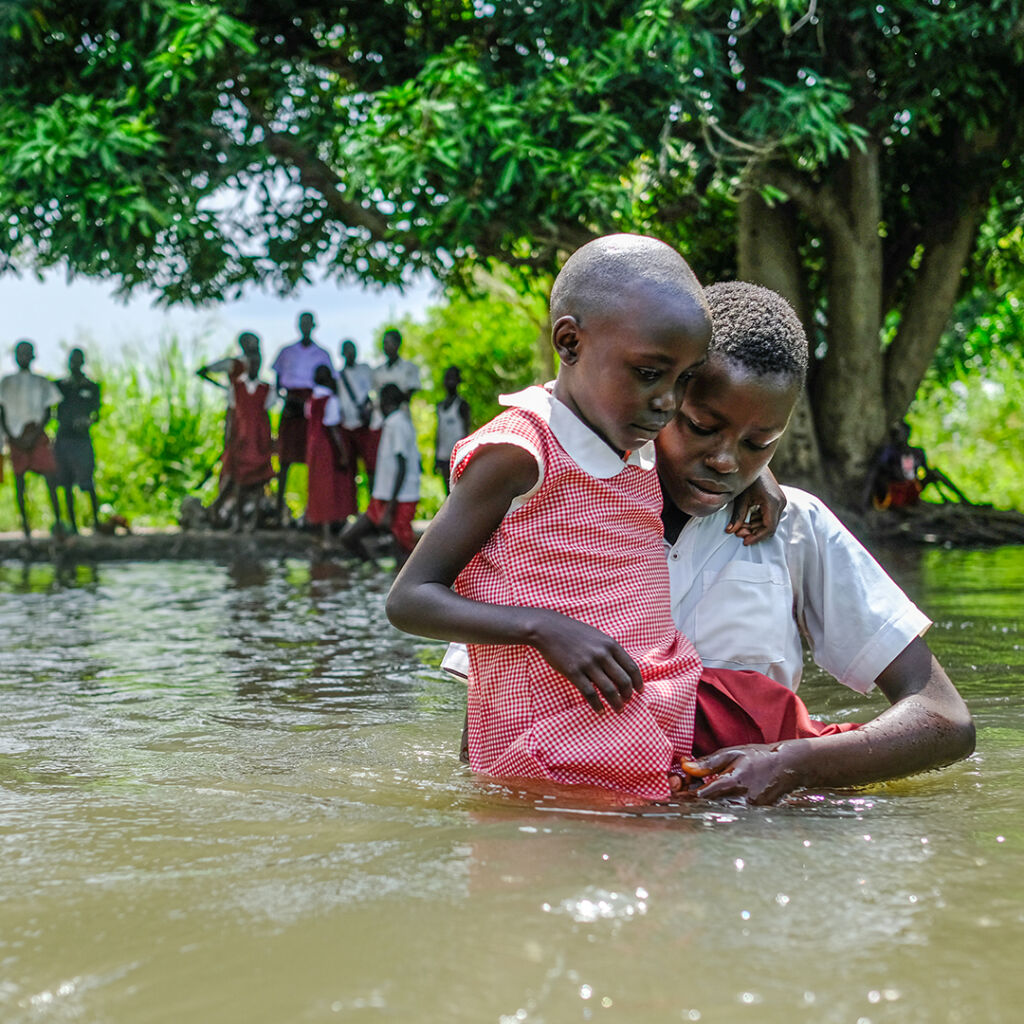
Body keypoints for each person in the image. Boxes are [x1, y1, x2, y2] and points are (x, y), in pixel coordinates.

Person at [386, 234, 854, 803]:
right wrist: (544, 628)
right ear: (568, 341)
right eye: (650, 374)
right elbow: (409, 598)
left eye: (683, 381)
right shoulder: (519, 453)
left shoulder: (626, 442)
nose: (664, 402)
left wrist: (756, 473)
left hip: (637, 716)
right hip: (548, 734)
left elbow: (714, 444)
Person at [654, 281, 975, 802]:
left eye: (760, 444)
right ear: (662, 393)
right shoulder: (579, 508)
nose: (726, 461)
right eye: (700, 426)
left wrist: (796, 762)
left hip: (752, 835)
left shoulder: (796, 526)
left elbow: (946, 718)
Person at [197, 332, 277, 531]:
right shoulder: (234, 370)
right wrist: (223, 388)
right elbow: (203, 371)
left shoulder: (265, 388)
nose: (255, 348)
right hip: (240, 427)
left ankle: (245, 516)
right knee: (236, 471)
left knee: (257, 476)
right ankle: (225, 511)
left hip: (257, 433)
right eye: (252, 344)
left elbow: (267, 412)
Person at [341, 383, 421, 564]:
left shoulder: (398, 425)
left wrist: (390, 508)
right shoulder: (394, 423)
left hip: (399, 498)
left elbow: (402, 466)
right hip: (383, 497)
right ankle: (374, 568)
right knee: (350, 538)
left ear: (385, 403)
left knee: (402, 551)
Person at [270, 312, 334, 523]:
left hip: (312, 406)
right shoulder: (286, 352)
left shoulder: (322, 354)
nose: (305, 326)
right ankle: (280, 512)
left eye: (309, 323)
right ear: (298, 325)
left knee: (312, 459)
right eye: (302, 323)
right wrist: (287, 401)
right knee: (285, 459)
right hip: (290, 406)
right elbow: (278, 382)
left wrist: (309, 404)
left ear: (314, 326)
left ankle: (311, 513)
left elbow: (329, 383)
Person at [0, 340, 64, 537]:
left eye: (27, 353)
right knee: (20, 482)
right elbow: (1, 412)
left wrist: (35, 436)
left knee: (50, 477)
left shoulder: (41, 382)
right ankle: (25, 525)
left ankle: (59, 522)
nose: (24, 357)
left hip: (36, 435)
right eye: (20, 354)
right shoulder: (6, 382)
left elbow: (48, 412)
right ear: (15, 357)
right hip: (15, 435)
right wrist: (12, 437)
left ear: (33, 356)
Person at [862, 419, 972, 509]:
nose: (896, 436)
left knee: (934, 473)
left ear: (907, 434)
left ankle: (963, 501)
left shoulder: (917, 452)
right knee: (878, 475)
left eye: (899, 432)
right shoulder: (888, 451)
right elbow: (876, 470)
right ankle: (877, 505)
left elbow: (928, 471)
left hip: (912, 488)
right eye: (894, 433)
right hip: (893, 490)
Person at [305, 363, 355, 540]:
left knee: (317, 486)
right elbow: (333, 428)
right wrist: (342, 452)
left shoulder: (311, 399)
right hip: (327, 447)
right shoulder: (331, 400)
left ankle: (323, 532)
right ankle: (329, 534)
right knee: (329, 486)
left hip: (313, 447)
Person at [54, 347, 101, 533]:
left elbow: (97, 413)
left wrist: (87, 421)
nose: (74, 363)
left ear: (83, 362)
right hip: (63, 439)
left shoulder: (91, 387)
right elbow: (50, 409)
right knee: (65, 484)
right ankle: (72, 525)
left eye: (77, 360)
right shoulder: (60, 386)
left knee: (87, 482)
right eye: (71, 360)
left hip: (82, 440)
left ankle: (96, 522)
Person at [336, 339, 377, 495]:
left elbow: (374, 391)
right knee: (349, 471)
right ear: (342, 354)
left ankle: (373, 507)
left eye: (352, 349)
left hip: (365, 426)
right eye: (346, 350)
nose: (350, 353)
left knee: (371, 468)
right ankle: (353, 508)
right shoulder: (338, 376)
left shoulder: (365, 369)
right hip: (346, 427)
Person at [434, 366, 471, 493]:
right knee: (447, 492)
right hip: (444, 454)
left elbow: (466, 432)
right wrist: (436, 456)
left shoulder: (462, 405)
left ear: (458, 381)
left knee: (459, 490)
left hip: (458, 456)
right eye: (447, 378)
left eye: (453, 378)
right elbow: (438, 432)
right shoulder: (439, 406)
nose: (450, 382)